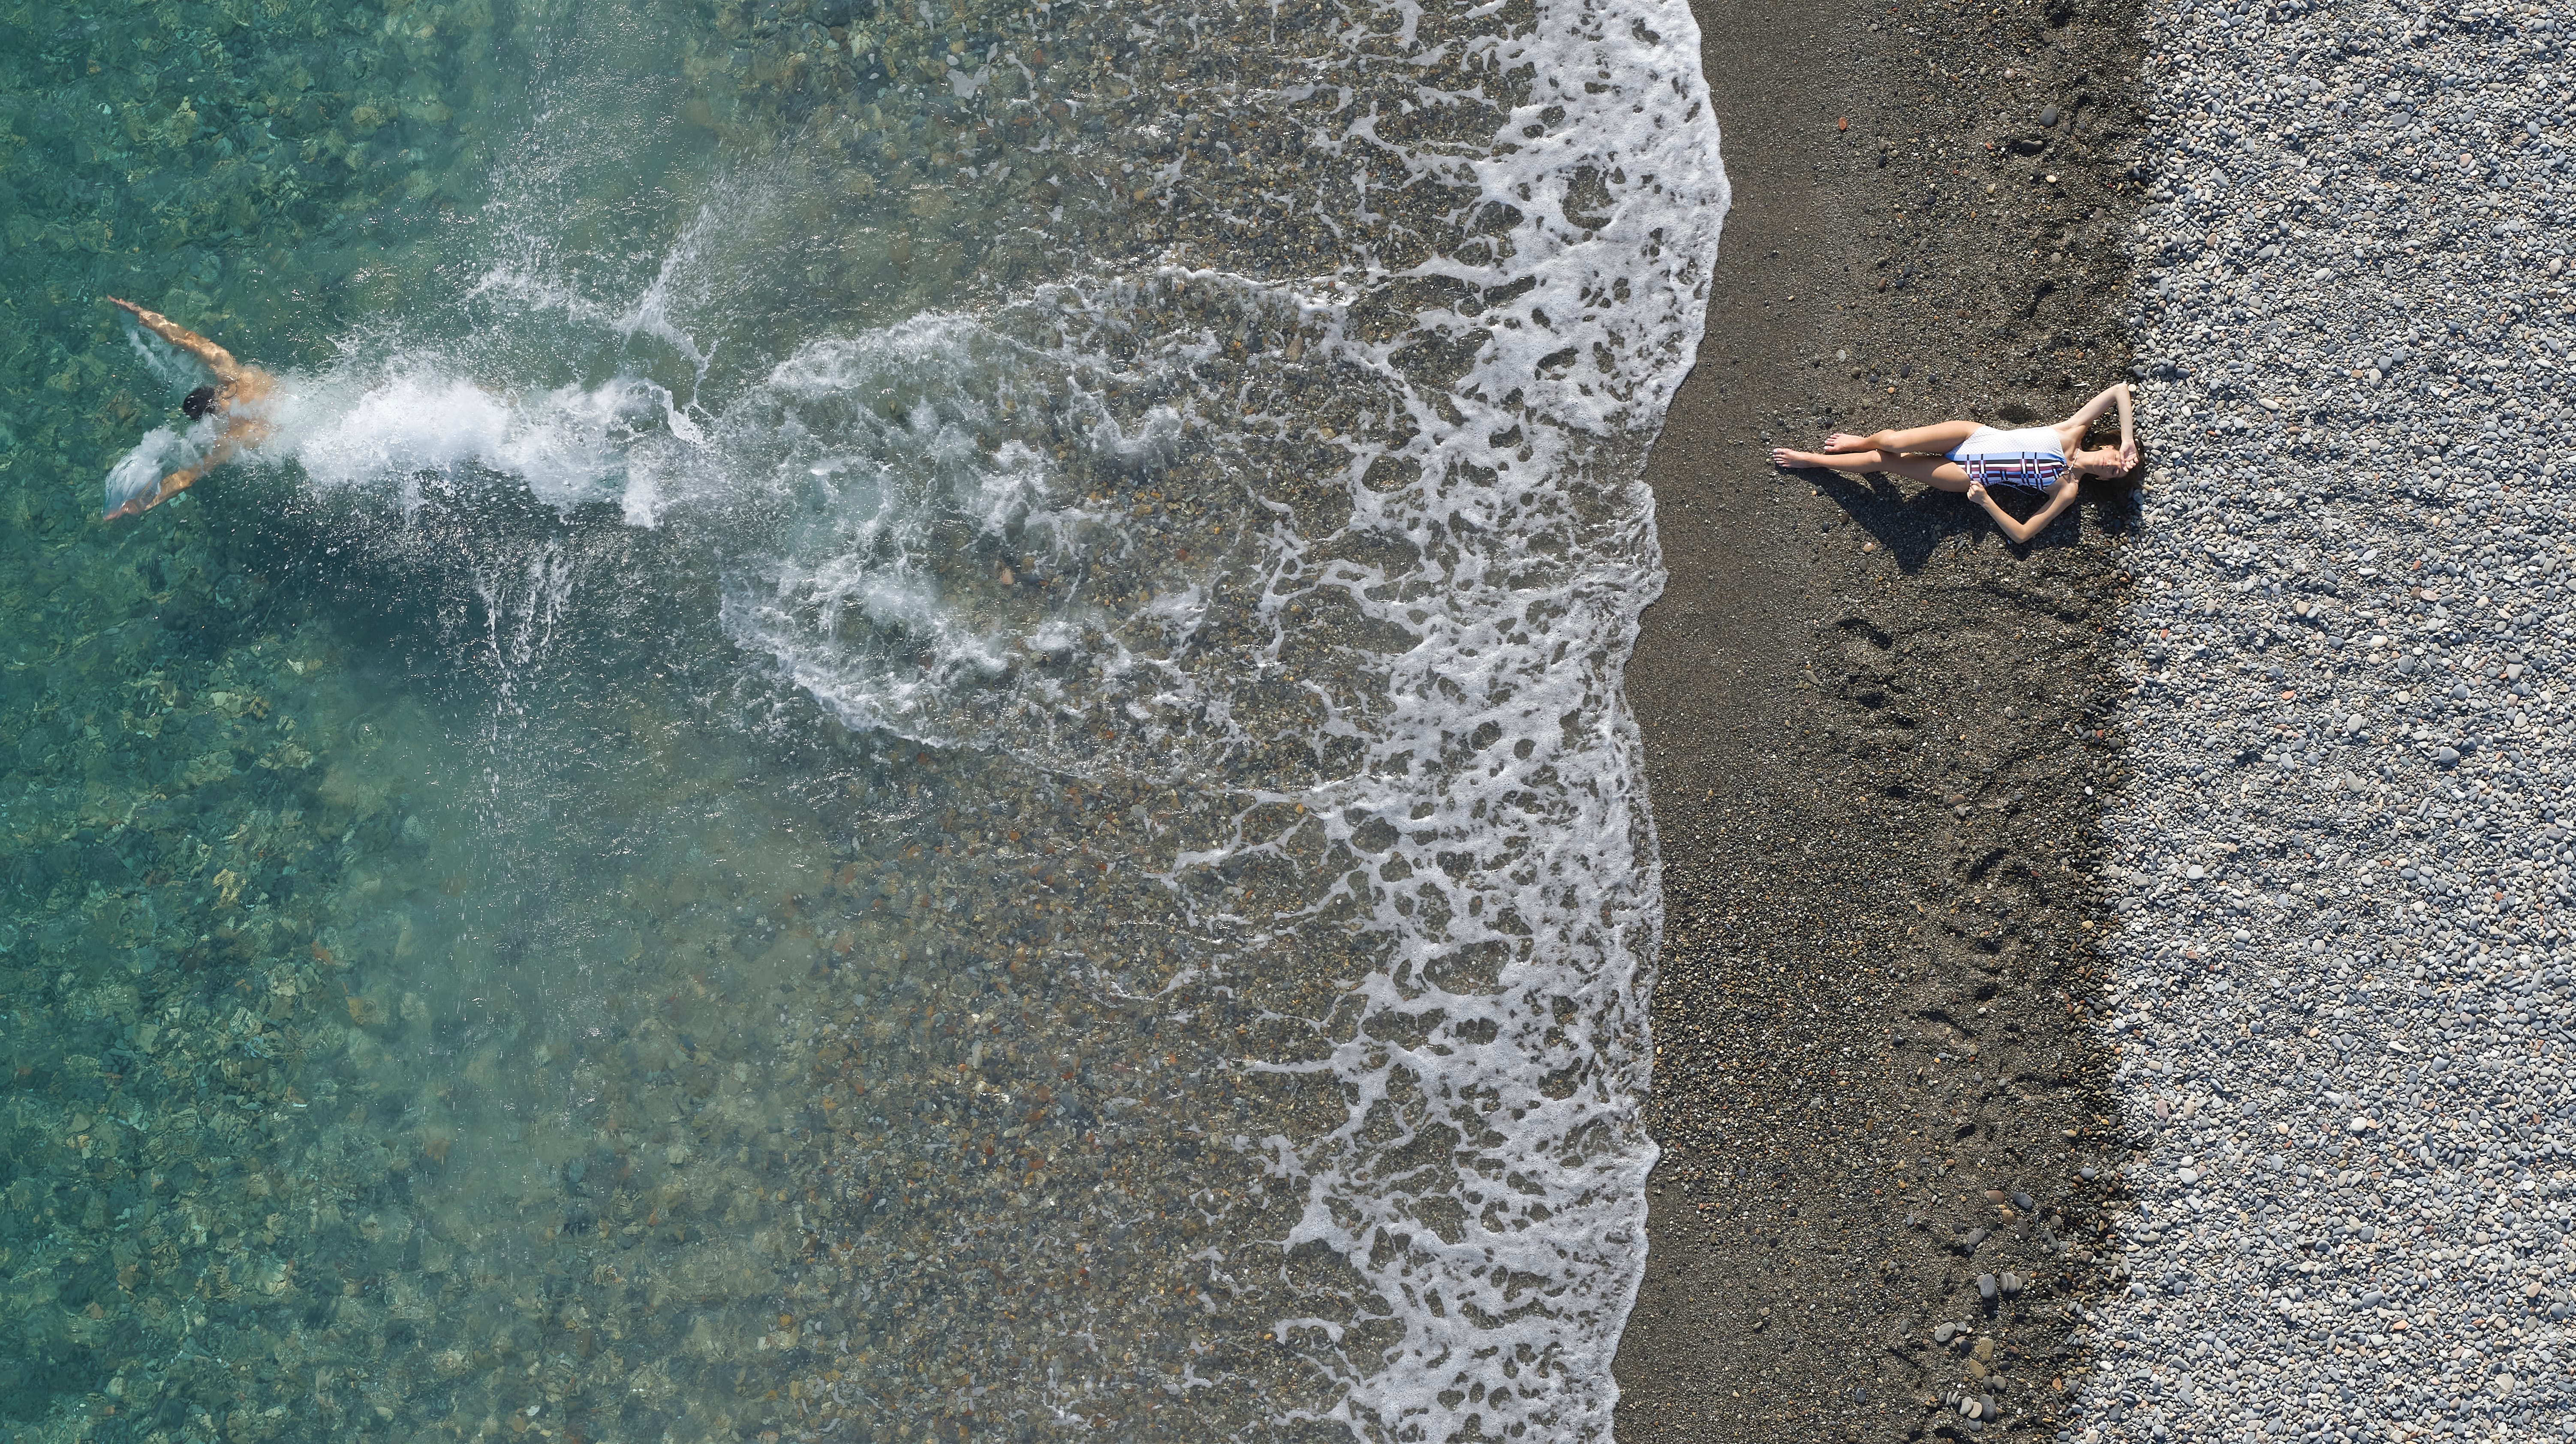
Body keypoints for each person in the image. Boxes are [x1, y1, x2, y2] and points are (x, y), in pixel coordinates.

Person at [1768, 381, 2139, 544]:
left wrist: (1987, 502)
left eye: (2116, 473)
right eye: (2118, 460)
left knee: (1886, 462)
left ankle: (1812, 460)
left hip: (1968, 476)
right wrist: (2128, 440)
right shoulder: (2073, 430)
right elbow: (2120, 391)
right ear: (2109, 448)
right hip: (1972, 436)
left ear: (2104, 480)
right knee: (1892, 440)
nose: (2113, 466)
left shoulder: (2068, 491)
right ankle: (1857, 440)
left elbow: (2023, 534)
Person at [101, 297, 276, 519]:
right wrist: (139, 314)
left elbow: (187, 477)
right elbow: (186, 339)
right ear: (213, 388)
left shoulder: (234, 435)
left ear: (209, 418)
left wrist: (138, 505)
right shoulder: (232, 371)